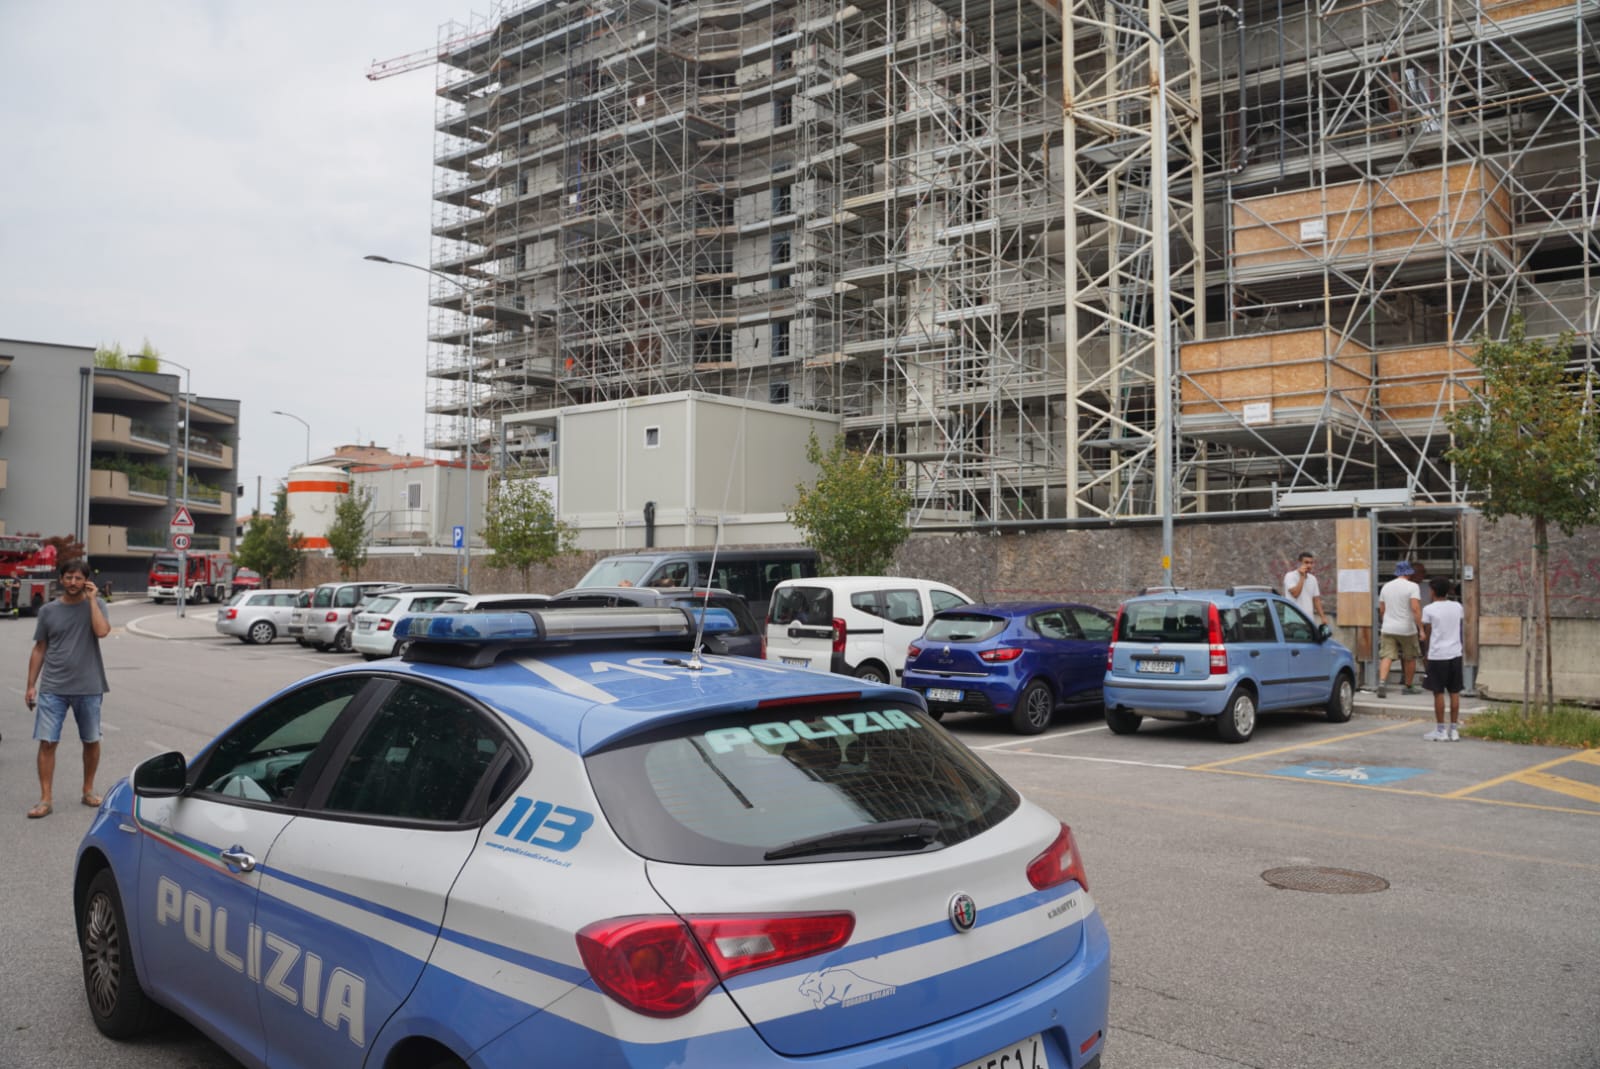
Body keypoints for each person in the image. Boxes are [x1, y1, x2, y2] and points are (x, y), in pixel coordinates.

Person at [24, 559, 111, 819]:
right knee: (47, 742)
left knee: (91, 740)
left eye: (78, 578)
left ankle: (88, 790)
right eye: (68, 577)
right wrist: (31, 685)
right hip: (53, 687)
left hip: (89, 685)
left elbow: (102, 631)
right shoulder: (48, 611)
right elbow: (40, 648)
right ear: (61, 579)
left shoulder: (97, 605)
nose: (73, 583)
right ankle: (45, 799)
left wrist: (93, 600)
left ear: (86, 580)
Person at [1419, 575, 1465, 741]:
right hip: (1455, 653)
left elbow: (1428, 631)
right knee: (1455, 692)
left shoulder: (1429, 609)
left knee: (1438, 692)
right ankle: (1454, 729)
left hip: (1438, 654)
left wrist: (1426, 653)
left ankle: (1440, 729)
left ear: (1433, 591)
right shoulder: (1457, 606)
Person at [1376, 561, 1423, 699]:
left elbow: (1382, 609)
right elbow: (1415, 608)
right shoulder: (1413, 586)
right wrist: (1421, 629)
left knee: (1387, 656)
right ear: (1409, 573)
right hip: (1407, 628)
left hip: (1388, 627)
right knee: (1410, 657)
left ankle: (1382, 682)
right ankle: (1408, 686)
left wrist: (1387, 621)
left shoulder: (1386, 586)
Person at [1282, 550, 1326, 626]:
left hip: (1308, 621)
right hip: (1293, 621)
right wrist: (1302, 576)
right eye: (1306, 562)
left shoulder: (1313, 579)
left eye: (1311, 563)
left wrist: (1323, 617)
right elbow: (1295, 594)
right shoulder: (1290, 576)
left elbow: (1316, 600)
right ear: (1299, 563)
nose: (1309, 565)